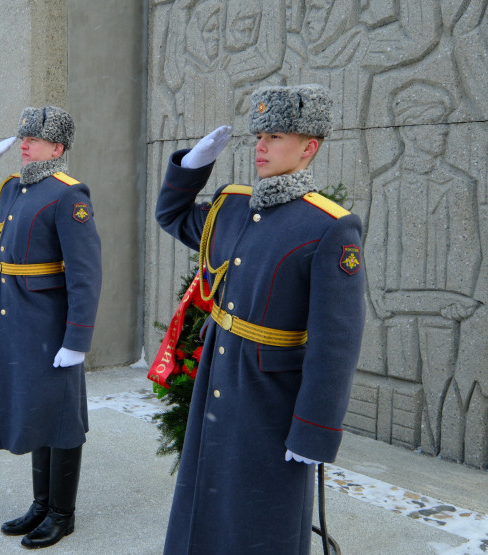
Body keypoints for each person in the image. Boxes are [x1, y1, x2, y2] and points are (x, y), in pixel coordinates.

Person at [155, 84, 366, 554]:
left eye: (275, 137)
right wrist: (192, 166)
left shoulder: (329, 227)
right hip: (219, 374)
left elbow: (336, 343)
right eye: (259, 136)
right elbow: (171, 216)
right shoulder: (233, 207)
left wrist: (314, 430)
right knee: (207, 495)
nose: (261, 146)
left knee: (263, 513)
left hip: (271, 395)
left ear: (309, 147)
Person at [0, 106, 102, 549]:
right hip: (14, 317)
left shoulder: (68, 195)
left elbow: (85, 273)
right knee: (38, 410)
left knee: (61, 416)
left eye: (33, 139)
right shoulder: (13, 189)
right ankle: (41, 505)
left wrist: (77, 339)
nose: (23, 144)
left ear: (56, 148)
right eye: (23, 137)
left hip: (48, 322)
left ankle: (62, 514)